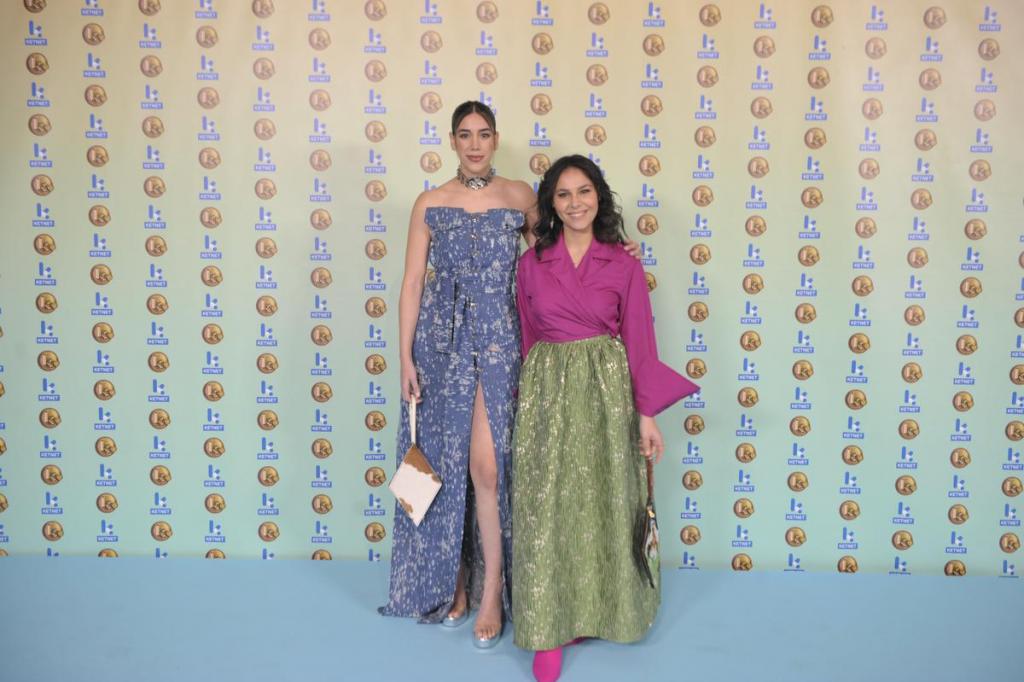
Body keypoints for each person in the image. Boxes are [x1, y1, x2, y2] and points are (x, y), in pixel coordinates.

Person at [512, 155, 699, 681]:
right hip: (547, 396)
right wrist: (527, 402)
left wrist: (647, 414)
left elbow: (640, 339)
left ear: (599, 197)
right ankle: (548, 625)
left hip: (607, 394)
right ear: (551, 204)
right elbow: (527, 337)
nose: (575, 203)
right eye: (564, 194)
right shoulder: (531, 263)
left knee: (605, 501)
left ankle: (602, 611)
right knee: (547, 507)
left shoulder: (623, 262)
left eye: (584, 191)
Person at [378, 101, 536, 648]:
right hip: (439, 345)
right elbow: (411, 283)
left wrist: (616, 249)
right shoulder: (430, 201)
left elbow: (555, 261)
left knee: (486, 468)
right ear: (451, 141)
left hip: (498, 341)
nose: (474, 144)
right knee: (440, 465)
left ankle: (493, 587)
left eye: (483, 134)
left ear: (496, 139)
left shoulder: (520, 196)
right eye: (464, 135)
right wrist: (405, 358)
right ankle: (454, 581)